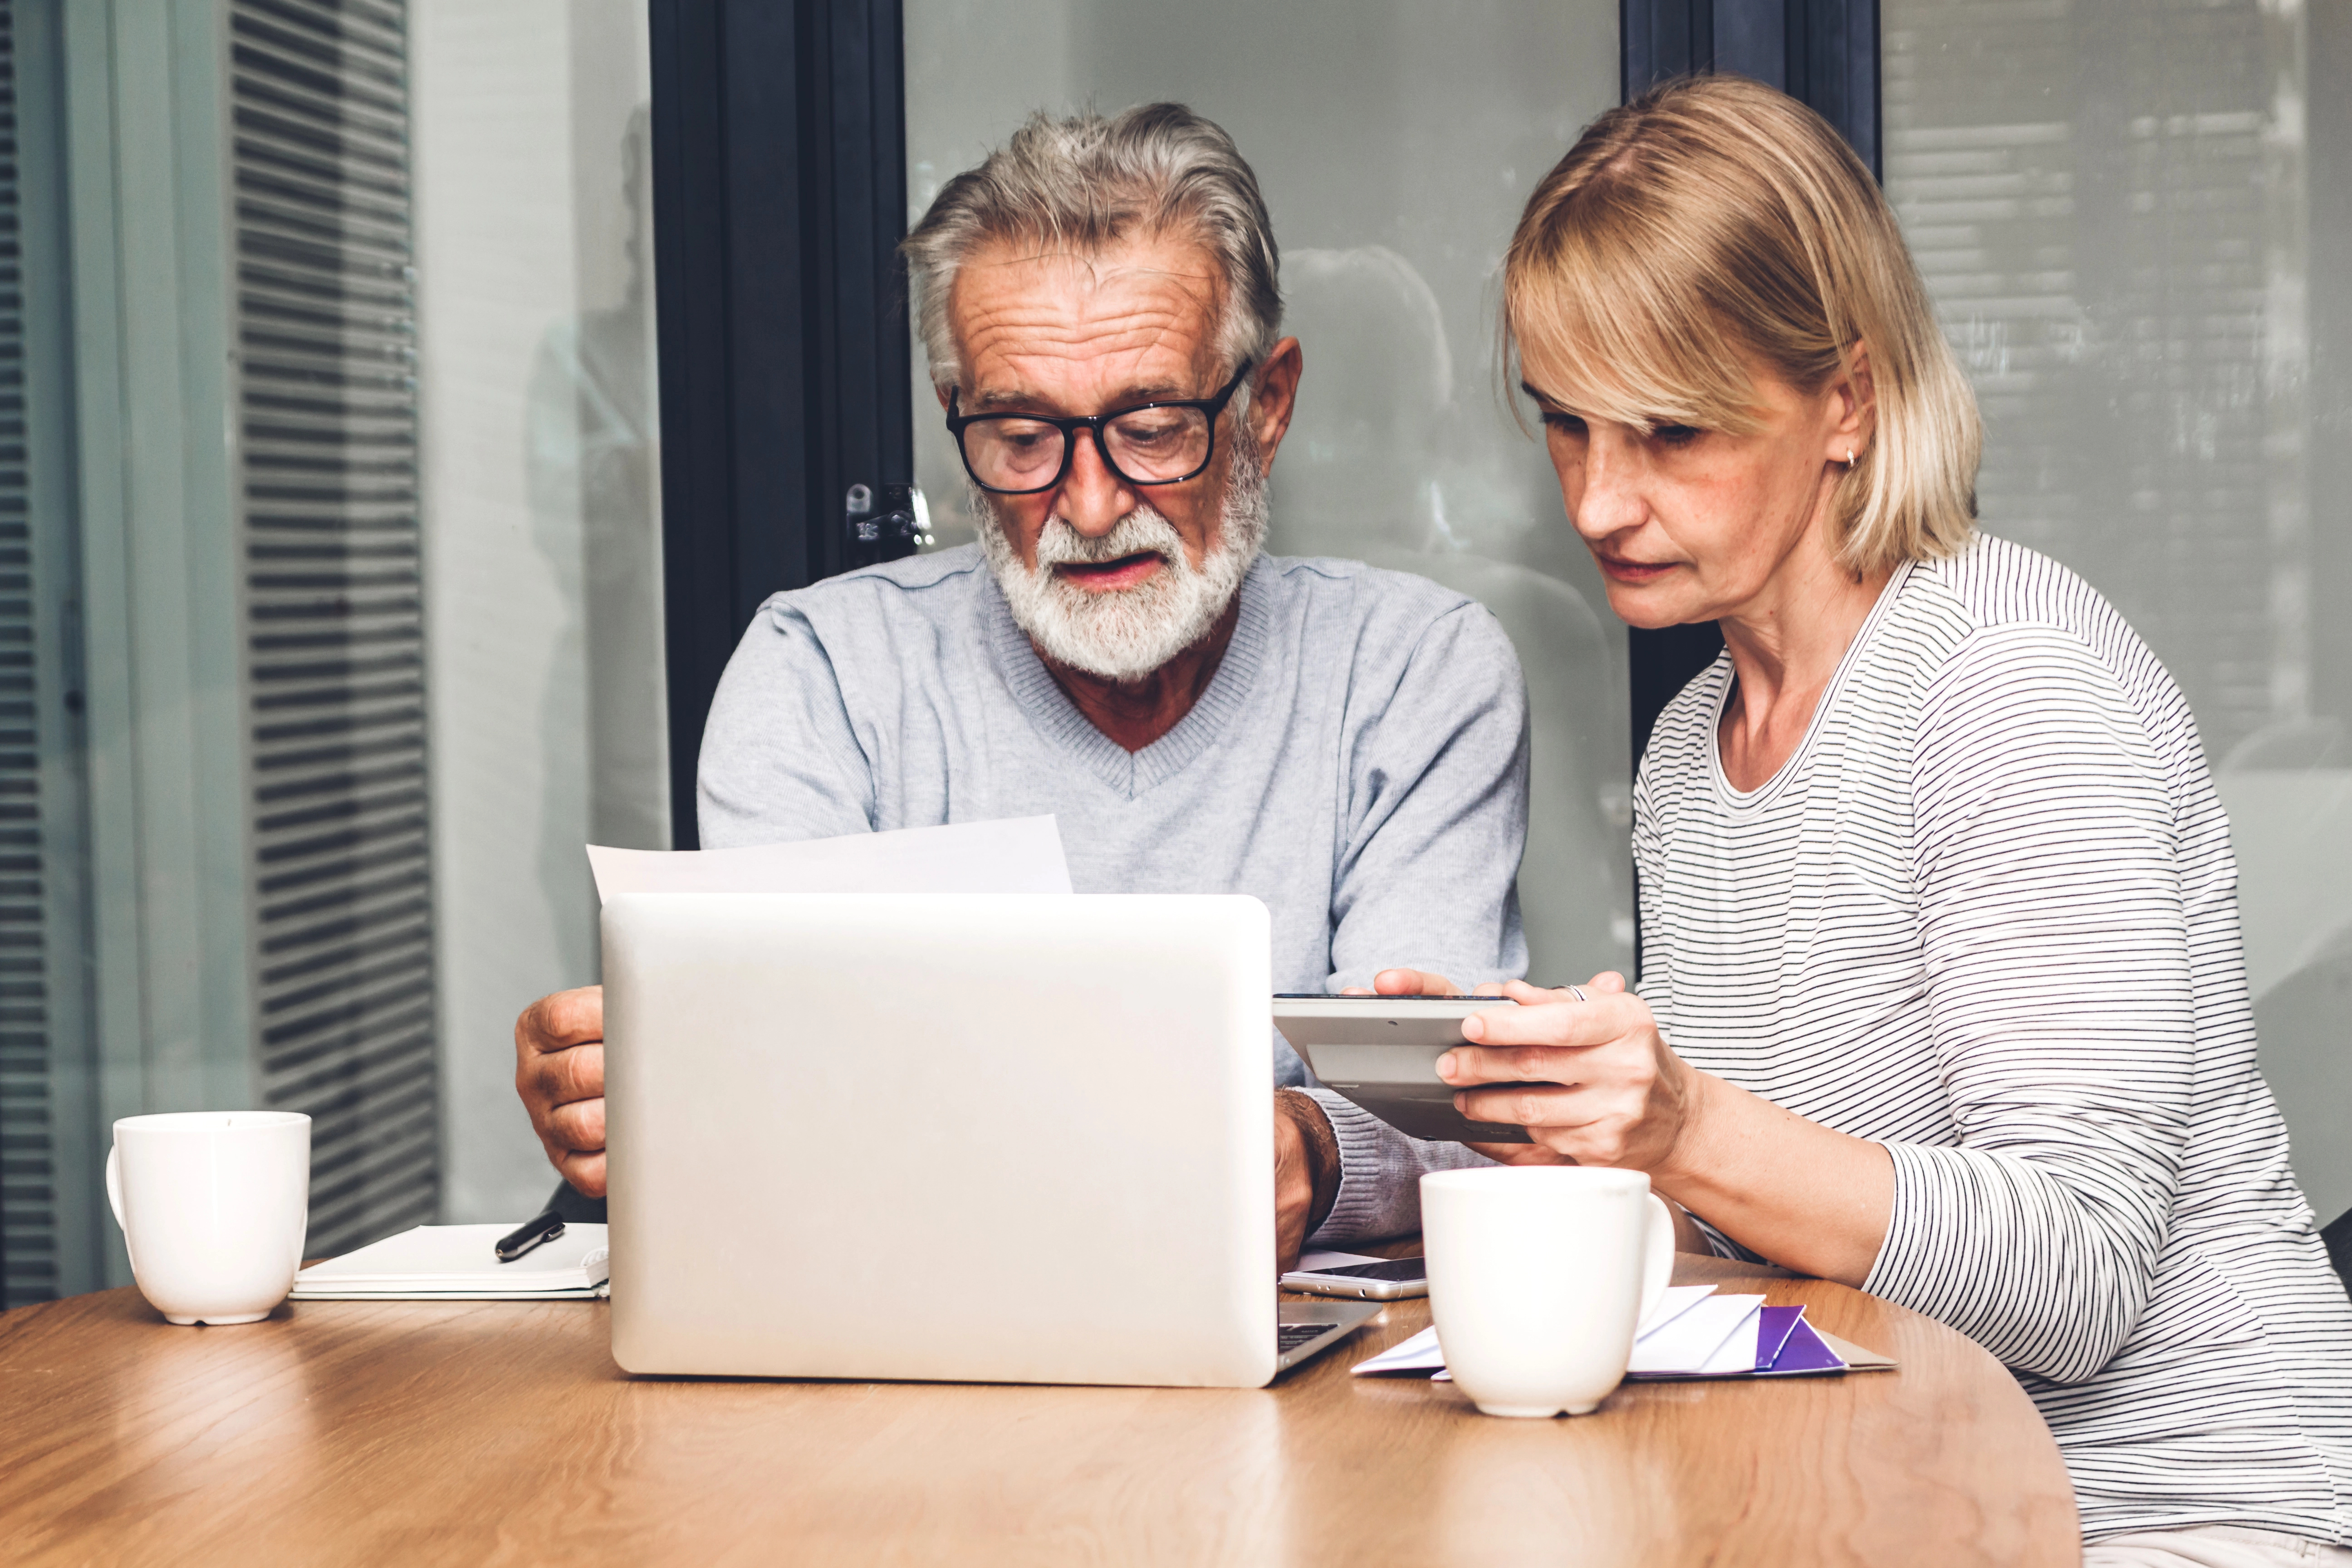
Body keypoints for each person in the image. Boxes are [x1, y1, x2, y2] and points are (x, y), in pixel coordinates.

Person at [1388, 77, 2352, 1563]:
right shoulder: (1689, 748)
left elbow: (2082, 1274)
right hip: (1891, 1494)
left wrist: (1685, 1124)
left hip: (2176, 1511)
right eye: (1564, 426)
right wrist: (1551, 1111)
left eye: (1668, 434)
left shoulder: (2007, 679)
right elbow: (1792, 1218)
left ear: (1843, 401)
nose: (1595, 502)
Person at [512, 103, 1526, 1268]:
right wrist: (641, 1098)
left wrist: (1312, 1148)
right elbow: (770, 1106)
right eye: (1019, 437)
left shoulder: (1415, 674)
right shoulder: (820, 677)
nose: (1090, 510)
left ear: (1267, 406)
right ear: (957, 420)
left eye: (1152, 427)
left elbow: (1463, 1113)